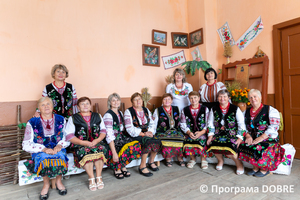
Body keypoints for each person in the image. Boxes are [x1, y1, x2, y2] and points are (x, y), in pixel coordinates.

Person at [22, 97, 69, 200]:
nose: (46, 106)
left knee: (60, 156)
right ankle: (46, 184)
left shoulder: (61, 119)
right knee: (44, 159)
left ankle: (58, 181)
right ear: (38, 108)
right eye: (43, 105)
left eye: (48, 104)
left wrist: (59, 145)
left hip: (58, 148)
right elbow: (26, 144)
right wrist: (43, 149)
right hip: (40, 150)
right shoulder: (33, 122)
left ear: (52, 106)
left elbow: (67, 137)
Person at [238, 89, 285, 177]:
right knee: (245, 144)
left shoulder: (270, 110)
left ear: (260, 97)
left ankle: (264, 169)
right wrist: (247, 135)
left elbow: (274, 127)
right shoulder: (246, 112)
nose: (253, 99)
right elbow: (242, 125)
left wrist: (261, 137)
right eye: (250, 97)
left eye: (255, 96)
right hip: (253, 136)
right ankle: (255, 167)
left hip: (268, 137)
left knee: (260, 146)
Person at [65, 97, 108, 191]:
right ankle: (91, 178)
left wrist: (97, 141)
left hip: (96, 142)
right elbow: (69, 136)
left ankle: (99, 177)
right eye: (82, 104)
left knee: (100, 149)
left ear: (90, 105)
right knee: (86, 152)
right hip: (80, 144)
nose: (85, 106)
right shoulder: (73, 118)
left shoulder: (97, 116)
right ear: (78, 107)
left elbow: (103, 130)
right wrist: (83, 142)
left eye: (87, 103)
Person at [103, 93, 142, 179]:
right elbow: (109, 134)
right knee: (119, 147)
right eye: (113, 100)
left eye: (117, 100)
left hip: (120, 137)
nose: (116, 102)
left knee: (135, 144)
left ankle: (122, 164)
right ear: (109, 102)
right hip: (112, 139)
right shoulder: (108, 115)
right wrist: (113, 152)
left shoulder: (120, 112)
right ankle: (117, 168)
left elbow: (122, 128)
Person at [207, 90, 246, 175]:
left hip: (232, 133)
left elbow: (241, 123)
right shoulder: (214, 108)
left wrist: (240, 137)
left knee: (231, 144)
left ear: (228, 98)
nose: (222, 98)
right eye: (220, 96)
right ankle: (220, 160)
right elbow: (210, 123)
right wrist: (210, 135)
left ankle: (238, 163)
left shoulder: (235, 108)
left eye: (224, 96)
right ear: (218, 98)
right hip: (218, 132)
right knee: (213, 143)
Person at [124, 92, 162, 177]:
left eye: (139, 99)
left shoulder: (146, 110)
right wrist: (143, 134)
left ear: (142, 100)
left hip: (147, 133)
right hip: (135, 135)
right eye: (135, 99)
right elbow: (129, 128)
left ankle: (151, 161)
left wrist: (151, 132)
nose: (138, 101)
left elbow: (152, 123)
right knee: (148, 142)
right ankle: (142, 166)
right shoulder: (128, 111)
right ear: (132, 102)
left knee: (157, 141)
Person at [153, 93, 185, 167]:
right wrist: (153, 133)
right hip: (163, 132)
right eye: (164, 99)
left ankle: (180, 158)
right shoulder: (158, 110)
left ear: (172, 100)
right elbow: (154, 123)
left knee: (181, 137)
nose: (167, 101)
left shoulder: (176, 108)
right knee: (165, 139)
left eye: (168, 99)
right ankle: (168, 159)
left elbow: (181, 121)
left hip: (175, 131)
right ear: (162, 101)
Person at [180, 91, 210, 169]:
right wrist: (189, 132)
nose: (193, 100)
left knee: (202, 140)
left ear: (199, 98)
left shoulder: (205, 109)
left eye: (195, 97)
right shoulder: (185, 110)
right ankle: (193, 159)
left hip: (202, 132)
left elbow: (208, 123)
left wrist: (201, 132)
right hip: (190, 132)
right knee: (187, 140)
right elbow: (182, 123)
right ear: (189, 99)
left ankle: (203, 160)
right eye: (191, 98)